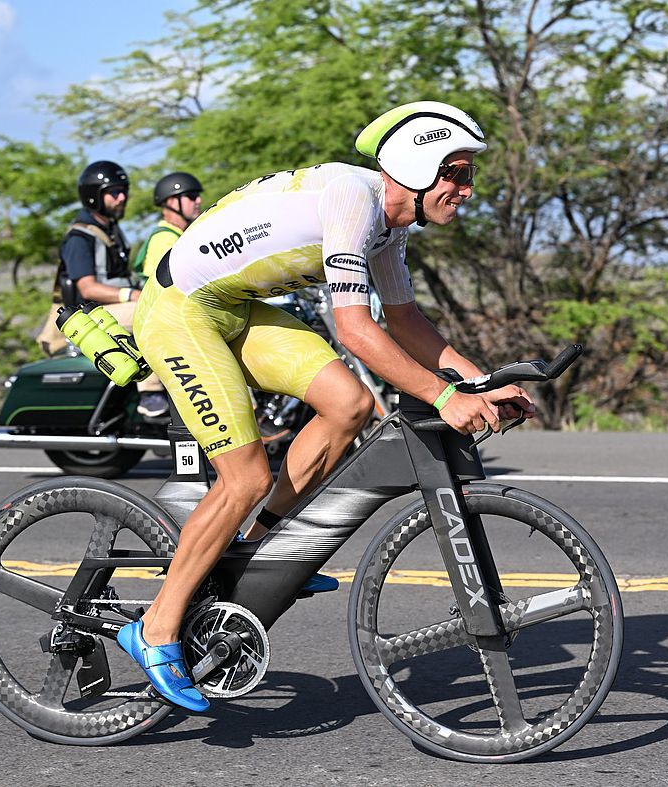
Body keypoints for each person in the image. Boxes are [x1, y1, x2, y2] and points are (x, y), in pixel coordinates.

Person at [119, 101, 536, 712]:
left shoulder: (390, 227)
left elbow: (405, 322)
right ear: (418, 167)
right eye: (458, 174)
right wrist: (442, 397)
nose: (467, 190)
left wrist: (479, 384)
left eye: (469, 177)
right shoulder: (352, 198)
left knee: (349, 406)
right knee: (245, 477)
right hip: (180, 311)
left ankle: (260, 550)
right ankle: (155, 626)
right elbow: (357, 331)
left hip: (232, 308)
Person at [56, 160, 168, 417]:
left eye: (124, 191)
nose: (122, 197)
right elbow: (88, 288)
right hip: (88, 315)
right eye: (114, 192)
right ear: (95, 197)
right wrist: (133, 295)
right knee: (151, 313)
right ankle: (150, 393)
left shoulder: (112, 230)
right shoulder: (80, 237)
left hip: (107, 310)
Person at [132, 171, 205, 286]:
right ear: (172, 202)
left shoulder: (176, 235)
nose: (198, 201)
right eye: (192, 196)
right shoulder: (164, 239)